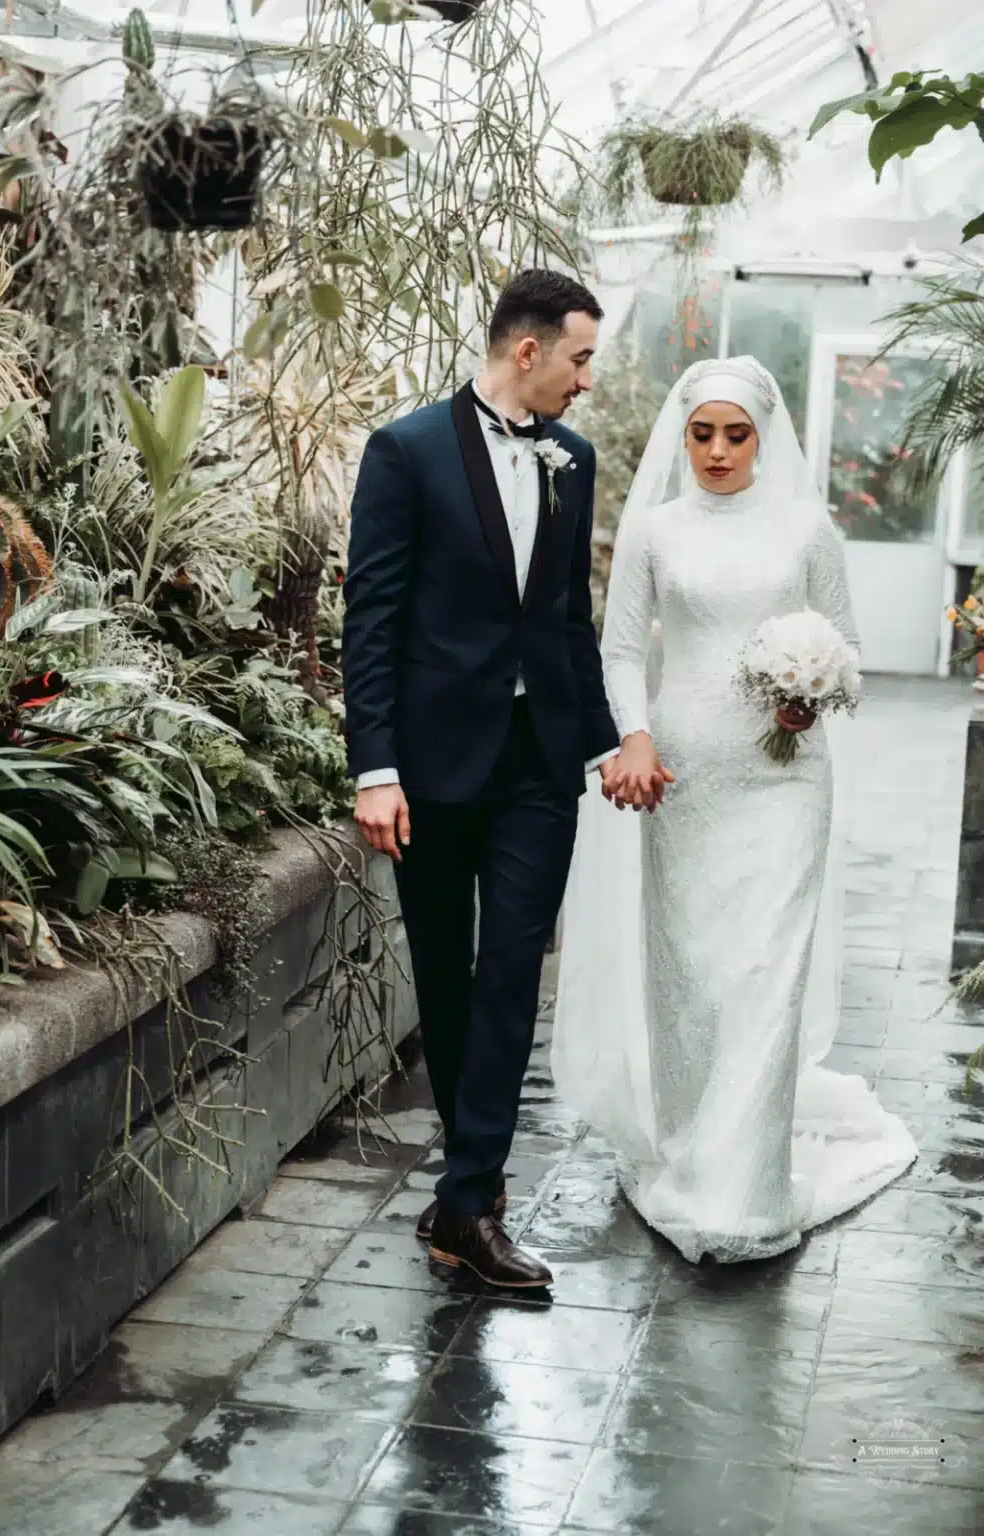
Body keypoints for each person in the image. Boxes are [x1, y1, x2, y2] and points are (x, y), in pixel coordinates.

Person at [553, 355, 918, 1265]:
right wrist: (633, 738)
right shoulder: (657, 531)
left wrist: (813, 693)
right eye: (701, 433)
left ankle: (744, 1192)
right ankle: (686, 1153)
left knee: (763, 973)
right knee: (692, 980)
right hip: (680, 776)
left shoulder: (805, 530)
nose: (716, 451)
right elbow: (622, 651)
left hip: (786, 778)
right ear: (684, 438)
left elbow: (851, 651)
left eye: (735, 433)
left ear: (763, 436)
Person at [343, 270, 624, 1289]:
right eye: (579, 359)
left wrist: (604, 741)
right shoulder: (405, 451)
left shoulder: (571, 460)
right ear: (526, 351)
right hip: (428, 762)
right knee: (447, 983)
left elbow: (563, 623)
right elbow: (367, 623)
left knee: (510, 971)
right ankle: (469, 1181)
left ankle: (467, 1198)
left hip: (537, 764)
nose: (585, 381)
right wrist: (374, 768)